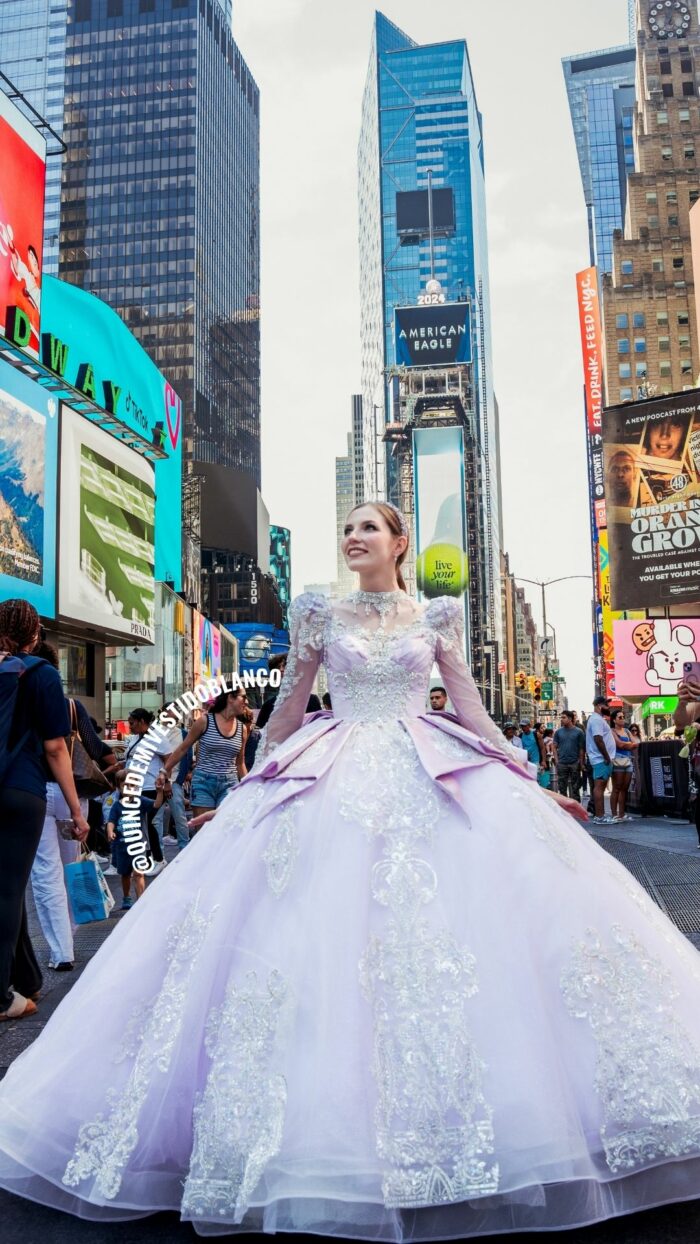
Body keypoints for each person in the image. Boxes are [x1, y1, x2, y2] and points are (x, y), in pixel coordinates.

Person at [4, 505, 700, 1240]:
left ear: (400, 544)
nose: (355, 536)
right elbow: (288, 713)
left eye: (371, 527)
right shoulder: (316, 614)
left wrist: (529, 779)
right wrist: (249, 790)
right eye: (349, 527)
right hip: (330, 766)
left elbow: (470, 711)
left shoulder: (436, 615)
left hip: (428, 764)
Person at [0, 600, 89, 1022]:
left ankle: (25, 977)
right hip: (21, 791)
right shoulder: (42, 674)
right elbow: (56, 748)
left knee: (10, 889)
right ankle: (1, 997)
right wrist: (77, 810)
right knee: (8, 890)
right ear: (36, 635)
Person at [29, 642, 111, 972]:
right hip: (71, 794)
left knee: (45, 874)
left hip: (34, 791)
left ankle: (62, 950)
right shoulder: (71, 707)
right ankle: (69, 938)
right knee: (69, 867)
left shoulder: (17, 701)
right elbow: (95, 747)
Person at [162, 688, 249, 818]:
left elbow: (240, 762)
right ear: (231, 697)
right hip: (203, 783)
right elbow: (182, 749)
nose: (247, 702)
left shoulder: (242, 728)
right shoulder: (205, 721)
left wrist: (249, 786)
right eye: (243, 697)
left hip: (230, 784)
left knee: (225, 827)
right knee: (203, 831)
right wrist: (164, 772)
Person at [118, 708, 174, 873]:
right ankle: (148, 857)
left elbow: (168, 760)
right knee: (140, 825)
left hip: (151, 786)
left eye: (133, 723)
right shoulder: (135, 738)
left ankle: (159, 859)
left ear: (142, 721)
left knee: (150, 824)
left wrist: (167, 782)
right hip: (134, 787)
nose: (130, 726)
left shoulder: (157, 738)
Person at [106, 775, 167, 910]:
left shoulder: (140, 801)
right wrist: (110, 831)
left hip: (139, 844)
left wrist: (159, 791)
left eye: (132, 785)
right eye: (125, 785)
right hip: (122, 845)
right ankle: (127, 896)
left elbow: (156, 804)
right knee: (125, 874)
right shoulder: (117, 806)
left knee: (139, 873)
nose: (129, 789)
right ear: (119, 788)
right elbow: (111, 821)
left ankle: (141, 900)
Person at [585, 695, 616, 824]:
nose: (608, 707)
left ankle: (600, 815)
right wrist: (607, 757)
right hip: (601, 759)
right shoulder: (596, 720)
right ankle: (600, 816)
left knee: (600, 787)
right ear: (599, 706)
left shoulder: (598, 719)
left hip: (601, 758)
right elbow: (598, 739)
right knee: (599, 787)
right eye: (606, 705)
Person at [610, 710, 638, 824]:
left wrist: (628, 745)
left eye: (623, 717)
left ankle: (621, 814)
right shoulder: (611, 731)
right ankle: (614, 814)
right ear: (614, 720)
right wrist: (629, 745)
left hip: (628, 761)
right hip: (617, 760)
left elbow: (636, 742)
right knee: (616, 788)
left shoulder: (627, 731)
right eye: (620, 717)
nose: (622, 719)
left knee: (624, 789)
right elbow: (619, 744)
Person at [553, 710, 586, 801]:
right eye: (561, 718)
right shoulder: (558, 732)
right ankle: (564, 812)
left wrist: (581, 762)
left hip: (574, 763)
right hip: (562, 764)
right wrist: (556, 760)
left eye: (564, 718)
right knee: (562, 789)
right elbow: (554, 747)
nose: (562, 720)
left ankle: (577, 810)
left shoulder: (579, 732)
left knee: (576, 789)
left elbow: (581, 749)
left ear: (570, 719)